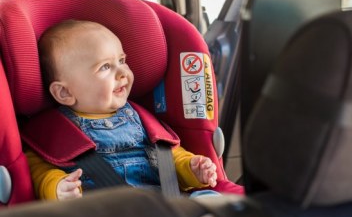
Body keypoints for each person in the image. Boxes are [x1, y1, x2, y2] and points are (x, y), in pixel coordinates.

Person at [26, 19, 218, 200]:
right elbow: (38, 171)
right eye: (105, 67)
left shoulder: (141, 118)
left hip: (161, 203)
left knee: (209, 199)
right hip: (104, 214)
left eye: (122, 60)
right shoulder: (53, 132)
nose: (122, 73)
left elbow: (169, 157)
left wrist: (192, 168)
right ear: (64, 92)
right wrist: (57, 187)